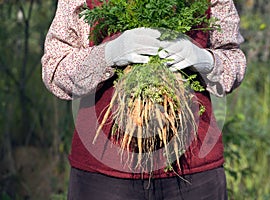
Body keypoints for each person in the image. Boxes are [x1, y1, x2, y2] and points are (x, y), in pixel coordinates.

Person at [41, 0, 246, 199]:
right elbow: (55, 69)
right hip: (104, 174)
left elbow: (233, 59)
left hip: (194, 170)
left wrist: (205, 61)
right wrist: (108, 55)